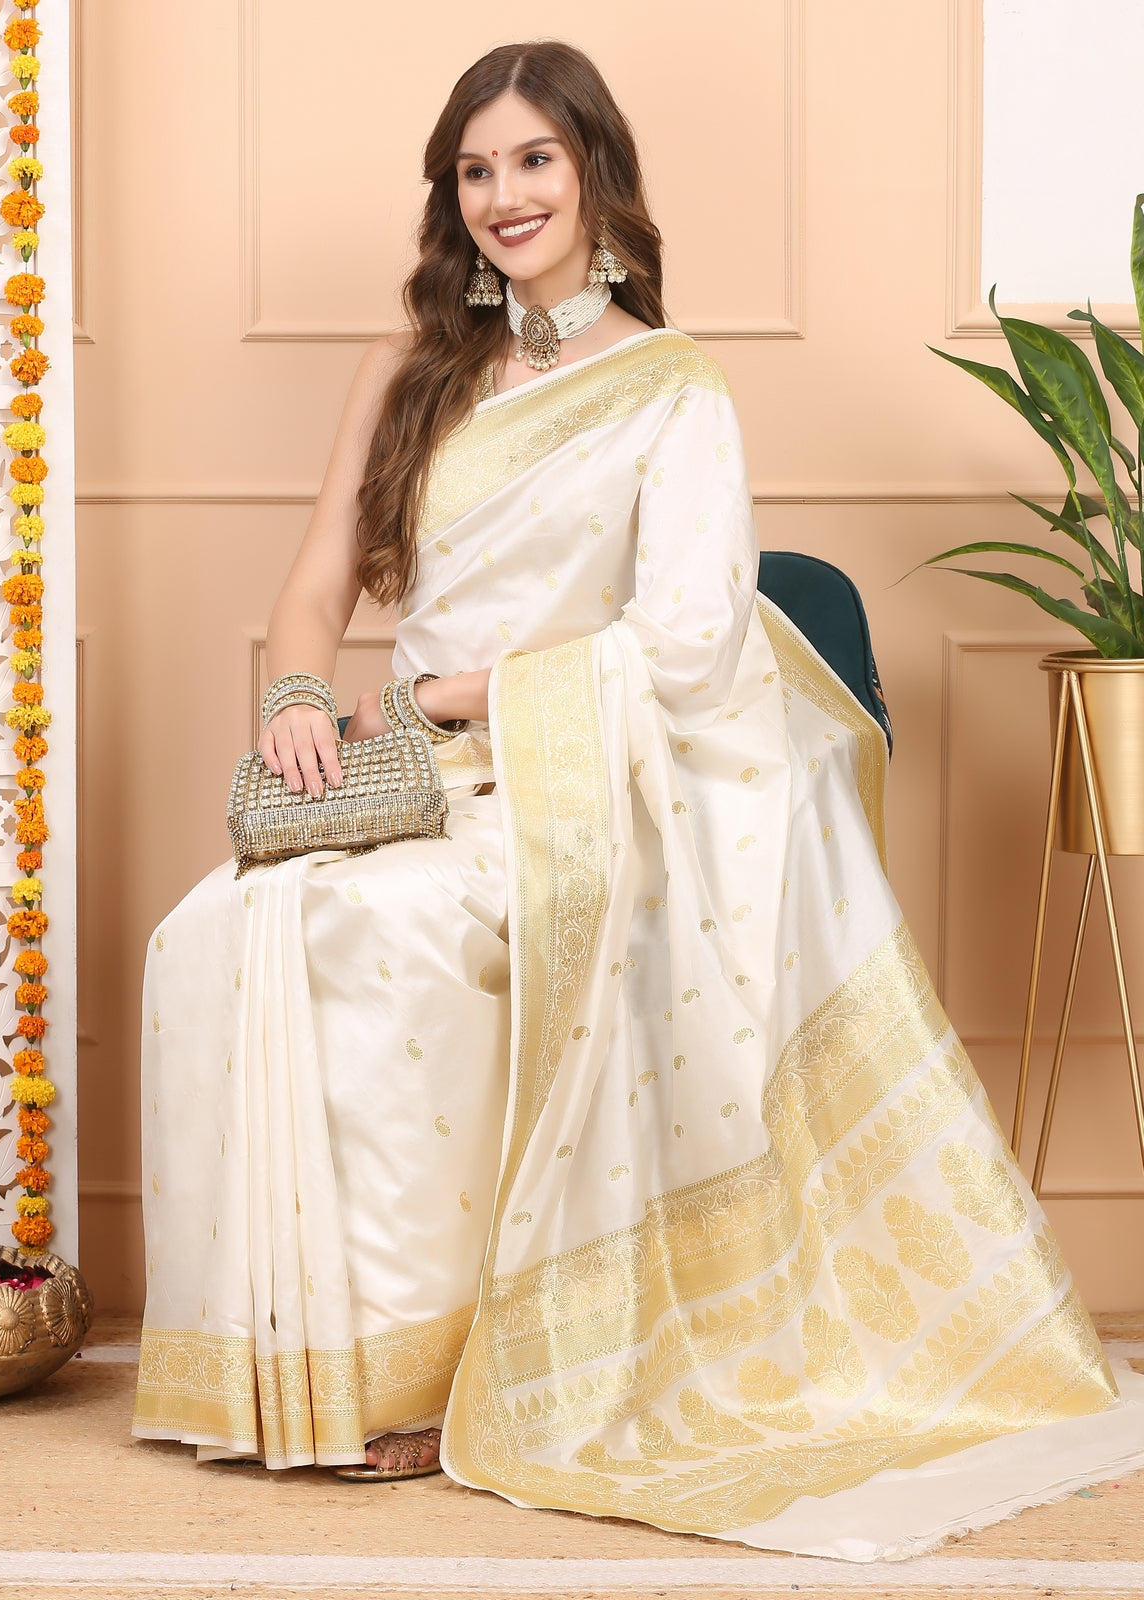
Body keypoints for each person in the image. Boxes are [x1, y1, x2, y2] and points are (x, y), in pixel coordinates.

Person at [132, 39, 1144, 1559]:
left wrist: (454, 697)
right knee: (220, 924)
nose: (505, 195)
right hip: (415, 772)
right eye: (477, 169)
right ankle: (300, 1370)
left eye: (534, 160)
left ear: (595, 172)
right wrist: (291, 701)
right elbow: (319, 579)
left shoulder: (674, 389)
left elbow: (682, 644)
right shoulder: (410, 367)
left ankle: (440, 1378)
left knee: (378, 936)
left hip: (583, 772)